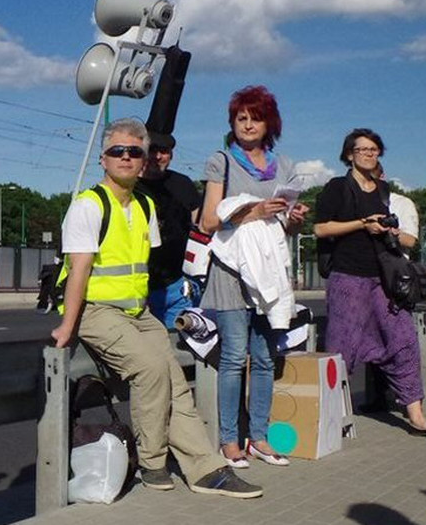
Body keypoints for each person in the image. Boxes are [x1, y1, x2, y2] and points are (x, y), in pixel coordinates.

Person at [52, 117, 262, 499]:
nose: (127, 158)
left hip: (138, 312)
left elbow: (146, 266)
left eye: (135, 152)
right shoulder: (88, 205)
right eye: (118, 151)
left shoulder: (146, 205)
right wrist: (68, 326)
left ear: (144, 159)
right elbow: (79, 269)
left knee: (175, 382)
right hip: (97, 311)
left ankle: (206, 468)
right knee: (150, 370)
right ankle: (152, 463)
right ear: (104, 159)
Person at [199, 86, 306, 468]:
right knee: (233, 357)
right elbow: (208, 220)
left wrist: (292, 219)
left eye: (254, 118)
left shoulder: (286, 166)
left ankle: (259, 437)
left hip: (269, 273)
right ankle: (230, 440)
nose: (247, 125)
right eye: (241, 118)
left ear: (268, 123)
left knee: (264, 358)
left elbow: (285, 230)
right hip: (230, 271)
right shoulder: (222, 162)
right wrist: (256, 209)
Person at [314, 131, 426, 437]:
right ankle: (334, 418)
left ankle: (416, 415)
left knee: (404, 340)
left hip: (383, 278)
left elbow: (400, 235)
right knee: (341, 349)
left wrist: (389, 229)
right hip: (348, 277)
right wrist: (362, 224)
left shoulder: (384, 190)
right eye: (362, 150)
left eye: (374, 150)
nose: (369, 154)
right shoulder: (337, 187)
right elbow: (321, 229)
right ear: (349, 154)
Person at [136, 132, 202, 328]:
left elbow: (200, 226)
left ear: (171, 154)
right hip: (137, 285)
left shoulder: (182, 184)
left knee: (178, 349)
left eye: (163, 151)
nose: (157, 156)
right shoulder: (128, 186)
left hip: (175, 284)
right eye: (152, 150)